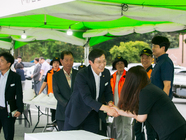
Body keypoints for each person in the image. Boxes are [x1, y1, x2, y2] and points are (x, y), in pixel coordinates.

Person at [112, 66, 186, 140]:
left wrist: (119, 111)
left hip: (171, 130)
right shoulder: (147, 88)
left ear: (132, 80)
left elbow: (141, 118)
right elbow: (138, 113)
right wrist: (119, 111)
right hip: (175, 128)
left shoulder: (145, 92)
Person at [64, 49, 118, 135]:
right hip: (77, 112)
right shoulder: (82, 75)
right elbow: (87, 99)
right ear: (90, 62)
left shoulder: (106, 73)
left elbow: (108, 91)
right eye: (98, 62)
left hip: (93, 113)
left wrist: (110, 102)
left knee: (92, 136)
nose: (102, 64)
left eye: (104, 61)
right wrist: (107, 108)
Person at [0, 52, 23, 140]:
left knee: (8, 135)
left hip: (8, 111)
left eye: (1, 61)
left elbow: (19, 94)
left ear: (8, 64)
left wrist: (20, 109)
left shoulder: (15, 77)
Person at [52, 51, 78, 131]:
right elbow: (57, 94)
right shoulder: (56, 76)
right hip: (62, 113)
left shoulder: (79, 74)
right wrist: (68, 105)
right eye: (66, 60)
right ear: (61, 61)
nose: (69, 62)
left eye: (71, 60)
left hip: (77, 113)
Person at [133, 48, 154, 140]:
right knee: (137, 129)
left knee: (150, 130)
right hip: (138, 105)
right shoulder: (138, 72)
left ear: (152, 58)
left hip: (150, 106)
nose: (144, 60)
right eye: (143, 58)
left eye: (147, 58)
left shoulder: (154, 72)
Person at [110, 56, 132, 140]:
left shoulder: (129, 76)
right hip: (115, 107)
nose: (120, 65)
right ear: (115, 66)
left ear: (124, 64)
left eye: (121, 63)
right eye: (118, 63)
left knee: (126, 127)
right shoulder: (112, 77)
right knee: (118, 127)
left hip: (126, 107)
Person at [38, 57, 61, 124]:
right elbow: (45, 82)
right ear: (52, 64)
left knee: (58, 110)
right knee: (52, 110)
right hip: (50, 94)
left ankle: (58, 125)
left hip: (59, 95)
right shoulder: (49, 72)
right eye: (54, 63)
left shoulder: (61, 72)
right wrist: (40, 91)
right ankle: (53, 124)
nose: (56, 64)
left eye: (57, 63)